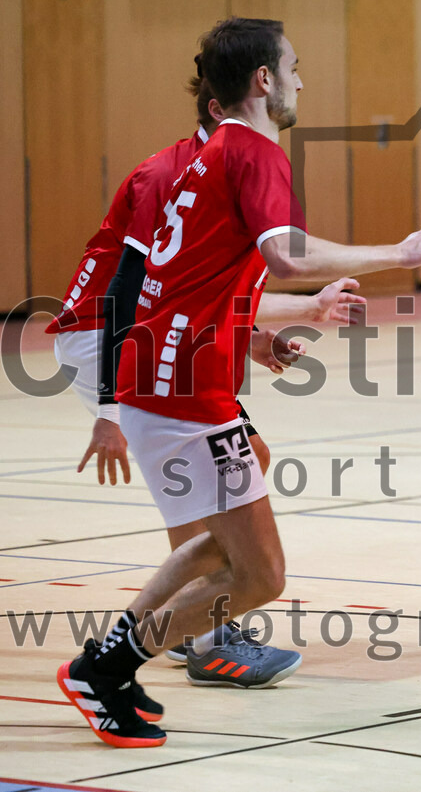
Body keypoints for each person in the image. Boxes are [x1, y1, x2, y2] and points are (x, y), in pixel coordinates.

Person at [58, 16, 421, 748]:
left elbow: (193, 285)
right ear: (262, 80)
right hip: (176, 385)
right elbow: (287, 254)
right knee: (260, 572)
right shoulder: (251, 150)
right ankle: (109, 664)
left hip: (171, 374)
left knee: (228, 530)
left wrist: (256, 335)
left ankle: (109, 665)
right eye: (293, 67)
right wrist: (396, 250)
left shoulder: (201, 161)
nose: (302, 79)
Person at [50, 77, 368, 717]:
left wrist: (265, 328)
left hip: (149, 340)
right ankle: (203, 641)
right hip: (113, 339)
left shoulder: (207, 171)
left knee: (245, 467)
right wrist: (111, 408)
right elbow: (139, 296)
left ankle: (152, 639)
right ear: (225, 108)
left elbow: (205, 294)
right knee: (219, 508)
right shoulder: (180, 172)